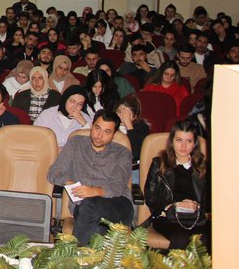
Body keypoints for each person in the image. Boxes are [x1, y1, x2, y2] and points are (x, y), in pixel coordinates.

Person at [47, 110, 133, 246]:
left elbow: (117, 186)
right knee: (97, 229)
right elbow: (53, 172)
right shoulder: (75, 144)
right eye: (97, 128)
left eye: (107, 132)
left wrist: (94, 191)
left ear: (114, 135)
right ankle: (79, 255)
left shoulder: (122, 153)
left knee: (89, 204)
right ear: (92, 126)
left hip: (117, 205)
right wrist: (70, 182)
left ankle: (72, 252)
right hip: (83, 208)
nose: (99, 136)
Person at [143, 119, 210, 250]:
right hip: (168, 217)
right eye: (179, 140)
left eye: (188, 141)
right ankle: (174, 265)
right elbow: (150, 197)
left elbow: (212, 200)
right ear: (172, 142)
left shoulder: (204, 167)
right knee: (181, 237)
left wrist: (197, 205)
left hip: (195, 217)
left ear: (194, 144)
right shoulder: (159, 164)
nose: (183, 146)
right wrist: (169, 206)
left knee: (202, 240)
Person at [115, 94, 149, 183]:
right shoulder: (112, 127)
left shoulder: (141, 127)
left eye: (126, 114)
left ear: (135, 116)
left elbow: (135, 153)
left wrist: (129, 126)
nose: (121, 116)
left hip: (134, 169)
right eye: (119, 111)